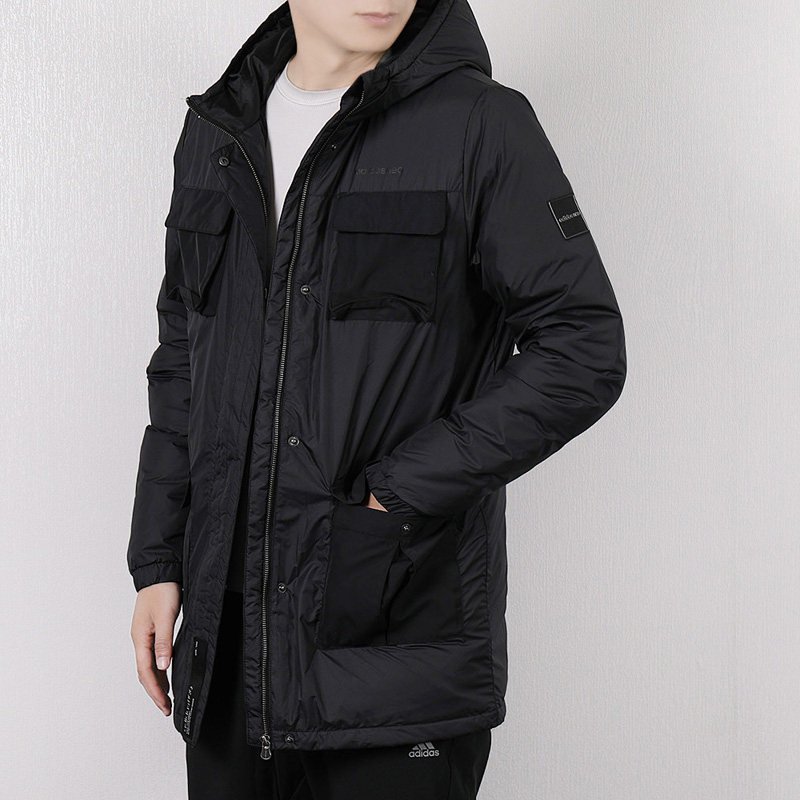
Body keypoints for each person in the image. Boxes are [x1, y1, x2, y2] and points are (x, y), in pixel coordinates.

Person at [127, 0, 627, 797]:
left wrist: (397, 491)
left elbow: (584, 346)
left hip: (393, 635)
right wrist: (158, 560)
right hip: (228, 639)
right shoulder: (218, 132)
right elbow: (186, 355)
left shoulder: (480, 125)